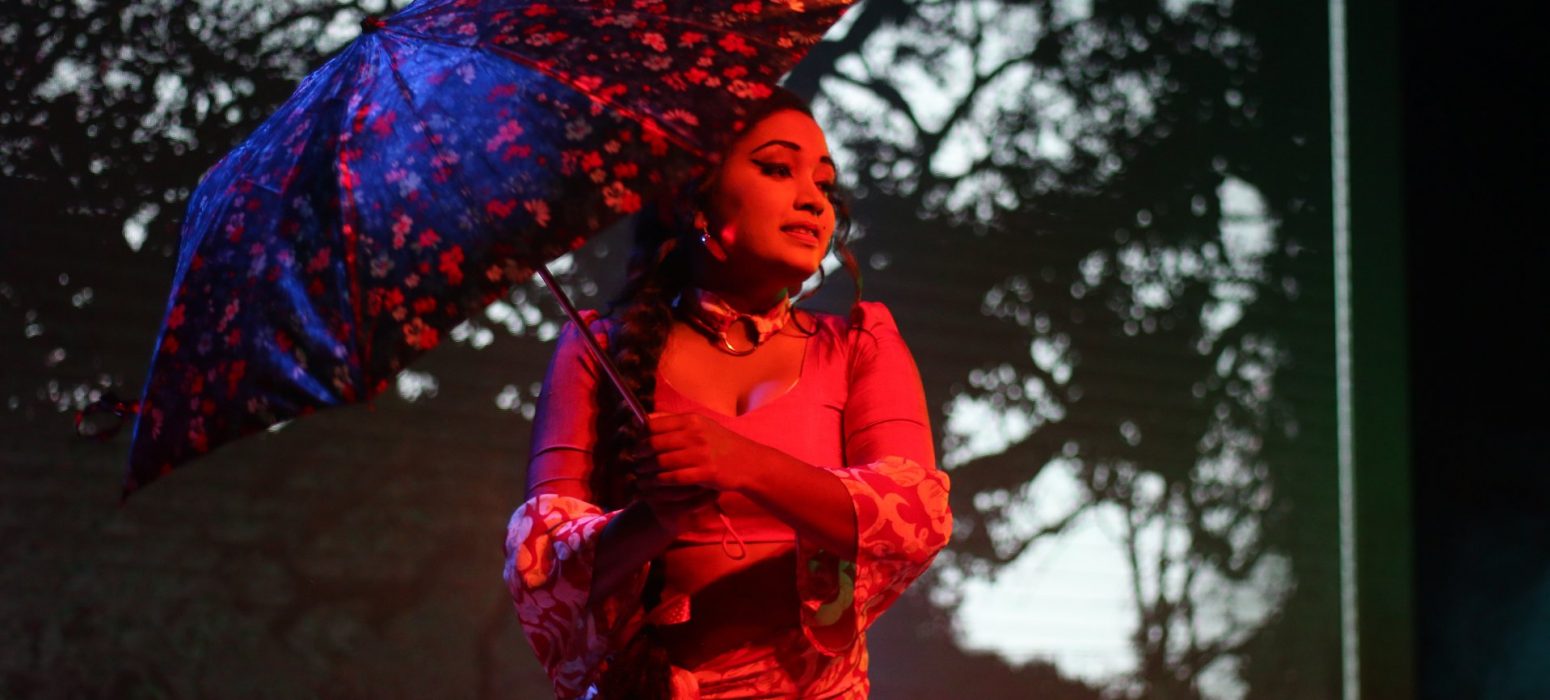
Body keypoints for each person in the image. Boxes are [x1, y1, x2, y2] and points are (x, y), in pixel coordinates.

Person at [502, 88, 952, 699]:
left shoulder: (858, 345)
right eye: (777, 168)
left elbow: (915, 518)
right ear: (695, 195)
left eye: (825, 184)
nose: (813, 200)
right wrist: (653, 520)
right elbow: (541, 567)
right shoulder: (598, 348)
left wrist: (744, 462)